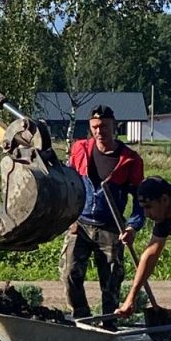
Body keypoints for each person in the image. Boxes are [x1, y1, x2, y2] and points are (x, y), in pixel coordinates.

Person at [59, 104, 144, 323]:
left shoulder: (130, 160)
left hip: (111, 228)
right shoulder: (80, 149)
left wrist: (132, 226)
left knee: (111, 282)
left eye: (104, 126)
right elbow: (68, 180)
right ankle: (82, 319)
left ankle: (108, 326)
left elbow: (140, 201)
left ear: (114, 126)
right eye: (95, 126)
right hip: (80, 223)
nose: (99, 131)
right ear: (90, 127)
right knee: (70, 273)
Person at [117, 176, 171, 324]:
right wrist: (131, 299)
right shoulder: (165, 217)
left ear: (165, 200)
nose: (146, 215)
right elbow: (150, 254)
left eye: (149, 207)